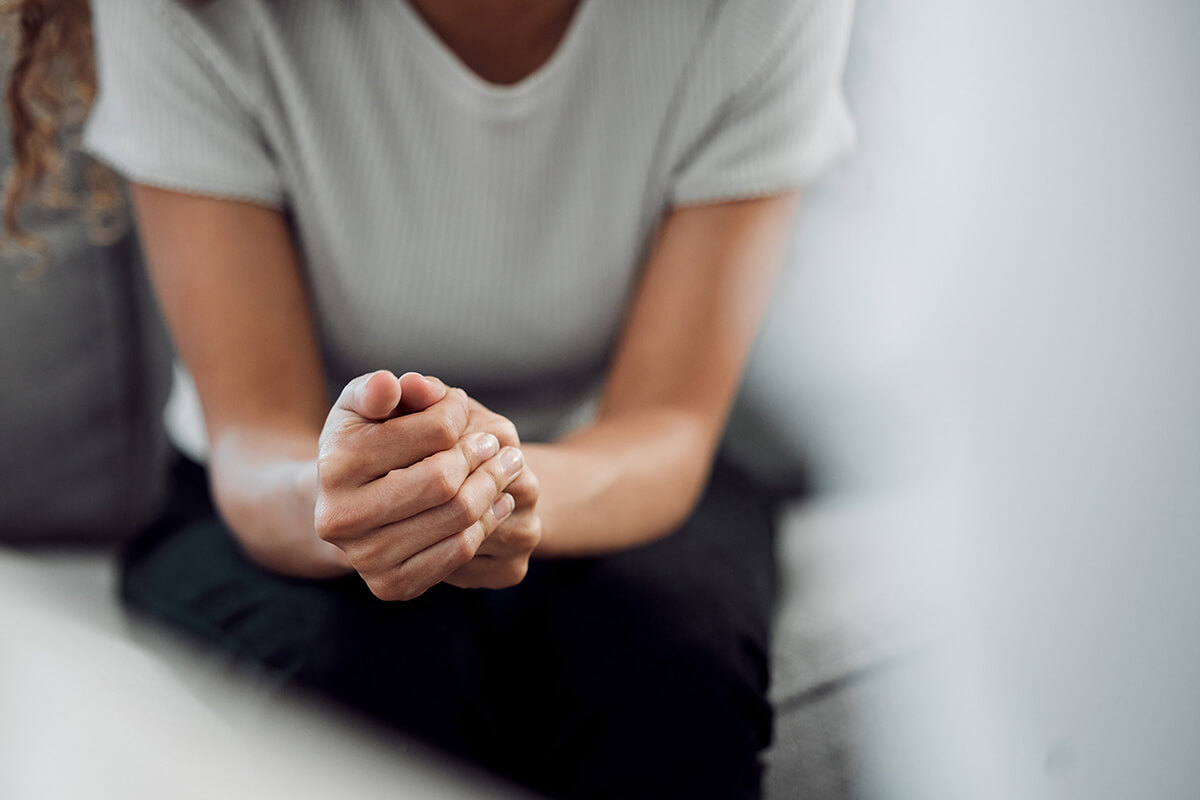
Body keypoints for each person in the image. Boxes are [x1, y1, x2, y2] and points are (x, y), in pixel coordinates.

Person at [6, 0, 855, 796]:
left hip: (608, 464)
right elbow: (256, 431)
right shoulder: (189, 11)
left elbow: (667, 421)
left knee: (672, 678)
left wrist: (497, 486)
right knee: (360, 690)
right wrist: (350, 495)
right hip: (283, 487)